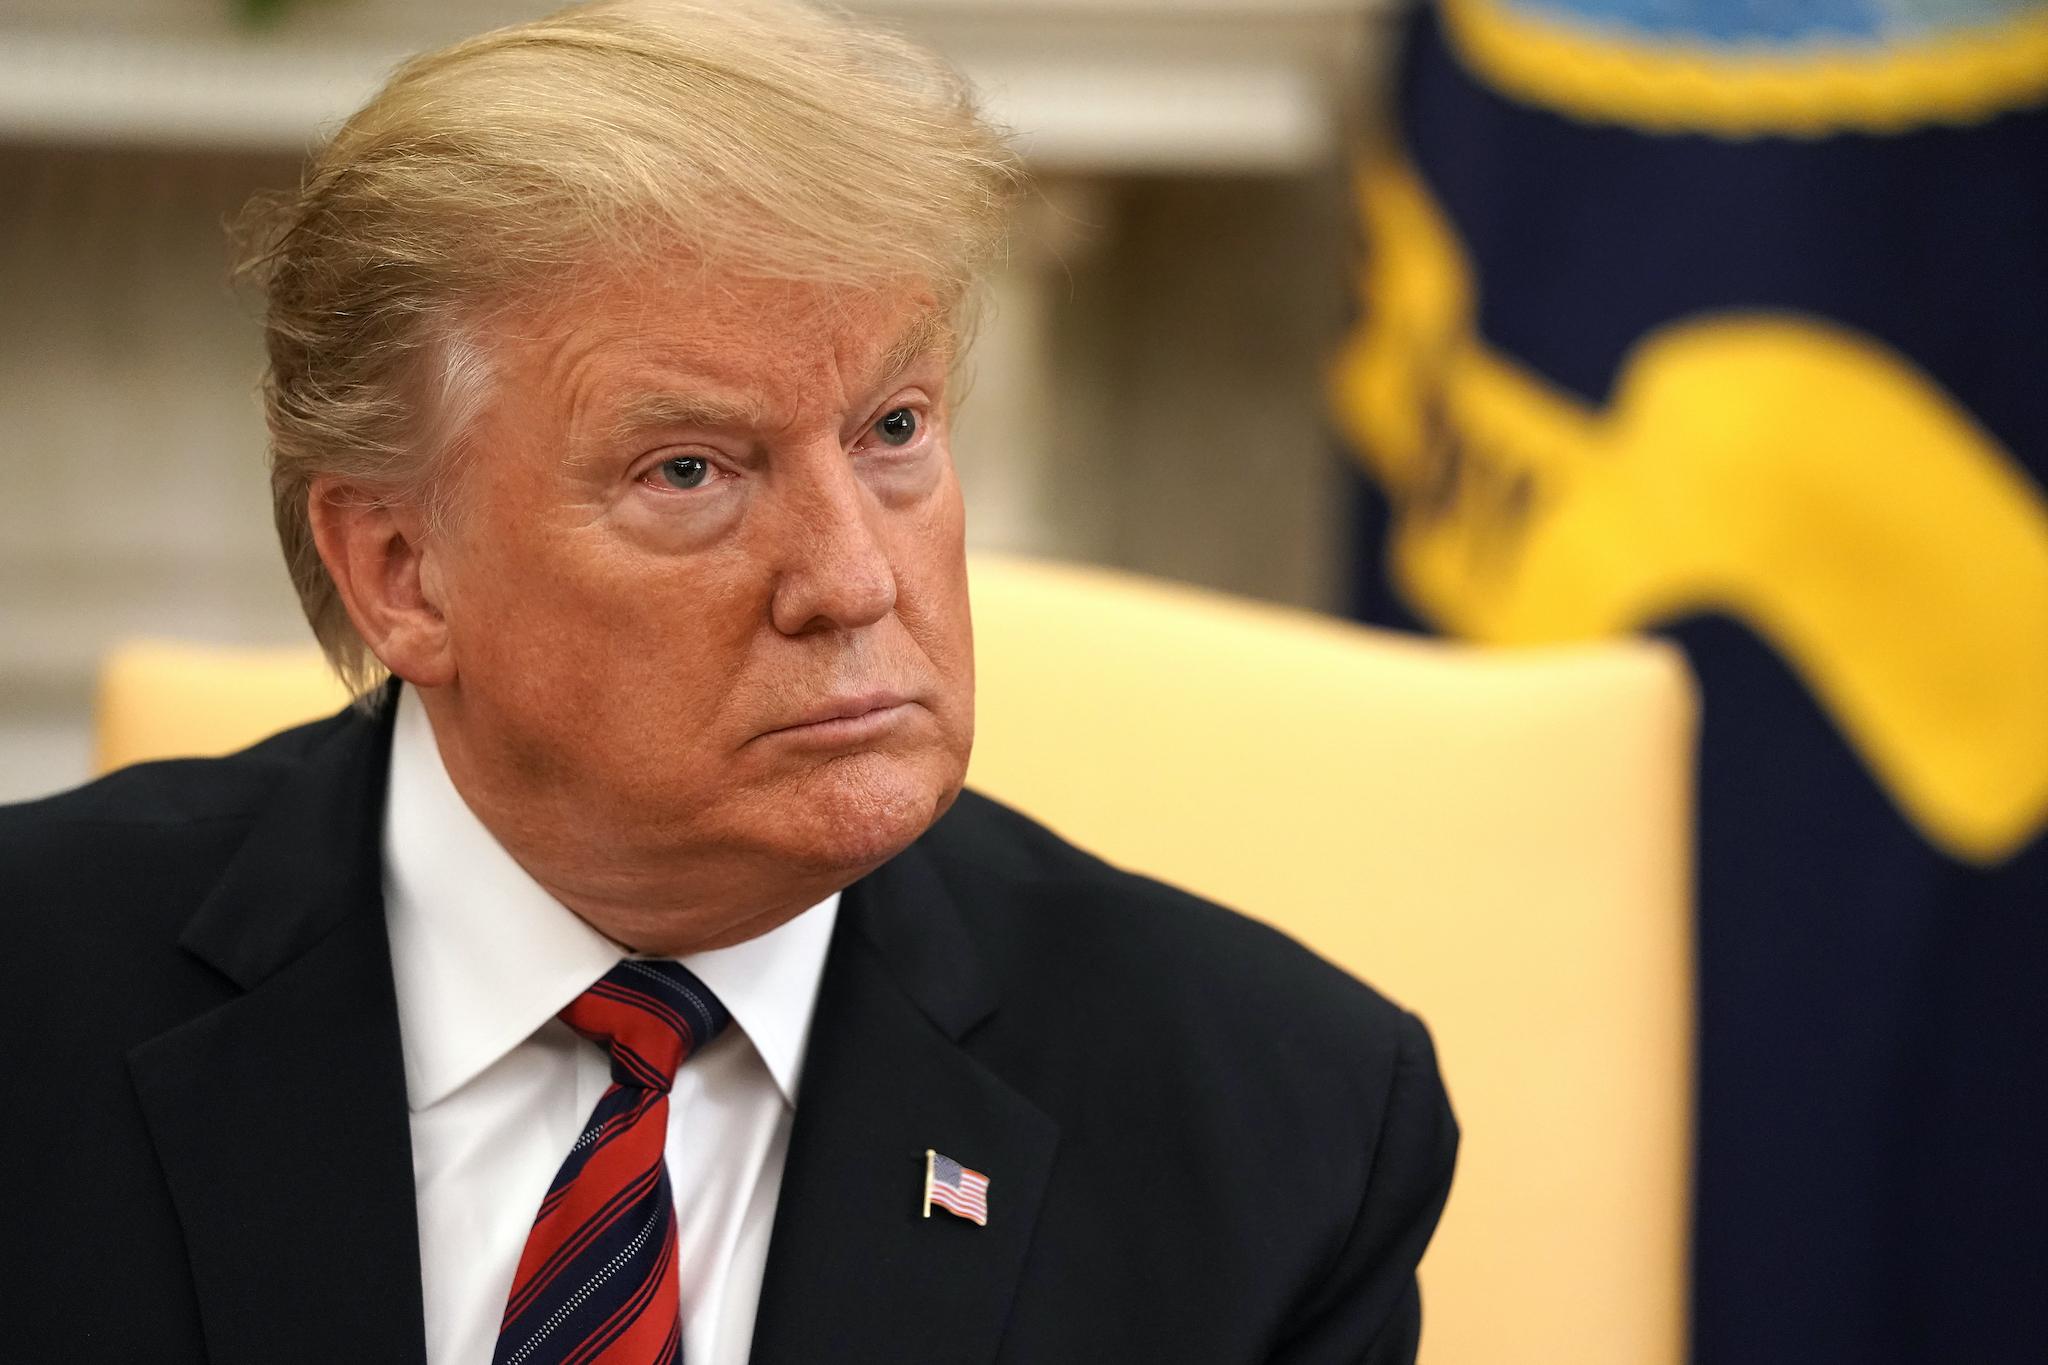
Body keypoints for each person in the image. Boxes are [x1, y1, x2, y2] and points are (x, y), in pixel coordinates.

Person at [0, 2, 1457, 1361]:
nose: (853, 577)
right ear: (401, 569)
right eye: (689, 469)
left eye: (893, 428)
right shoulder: (37, 1001)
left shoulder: (1280, 1132)